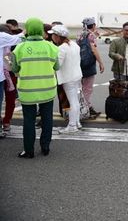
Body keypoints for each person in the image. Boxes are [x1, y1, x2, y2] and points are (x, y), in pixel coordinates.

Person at [11, 18, 59, 158]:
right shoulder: (51, 47)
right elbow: (57, 67)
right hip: (47, 88)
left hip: (27, 89)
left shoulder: (20, 48)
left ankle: (29, 150)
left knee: (29, 120)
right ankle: (45, 147)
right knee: (47, 118)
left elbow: (14, 68)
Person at [49, 25, 83, 133]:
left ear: (58, 36)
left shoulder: (61, 48)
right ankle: (77, 122)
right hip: (76, 75)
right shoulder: (74, 44)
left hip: (68, 78)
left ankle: (72, 125)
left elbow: (57, 65)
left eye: (53, 35)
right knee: (75, 101)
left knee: (72, 102)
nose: (52, 37)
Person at [78, 17, 104, 119]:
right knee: (88, 88)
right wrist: (101, 63)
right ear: (93, 25)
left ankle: (83, 108)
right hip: (88, 65)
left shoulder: (79, 35)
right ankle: (87, 109)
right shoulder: (90, 36)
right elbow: (94, 50)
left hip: (79, 64)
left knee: (81, 88)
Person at [0, 25, 23, 138]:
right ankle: (5, 122)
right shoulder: (12, 43)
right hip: (8, 74)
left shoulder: (13, 43)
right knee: (10, 100)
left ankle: (6, 121)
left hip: (10, 75)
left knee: (10, 100)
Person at [108, 22, 128, 99]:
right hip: (119, 70)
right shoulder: (115, 42)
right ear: (122, 30)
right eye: (126, 30)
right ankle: (121, 110)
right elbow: (110, 53)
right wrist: (116, 56)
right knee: (119, 91)